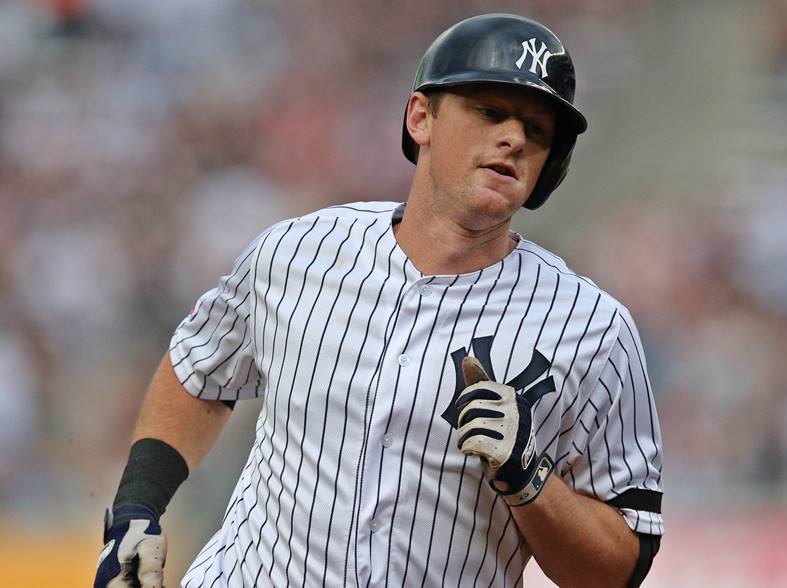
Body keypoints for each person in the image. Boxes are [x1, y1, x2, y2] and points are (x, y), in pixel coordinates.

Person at [94, 13, 663, 588]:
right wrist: (138, 508)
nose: (514, 138)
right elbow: (198, 370)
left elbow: (620, 567)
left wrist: (531, 480)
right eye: (489, 112)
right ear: (421, 117)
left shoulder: (593, 328)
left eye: (536, 130)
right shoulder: (299, 252)